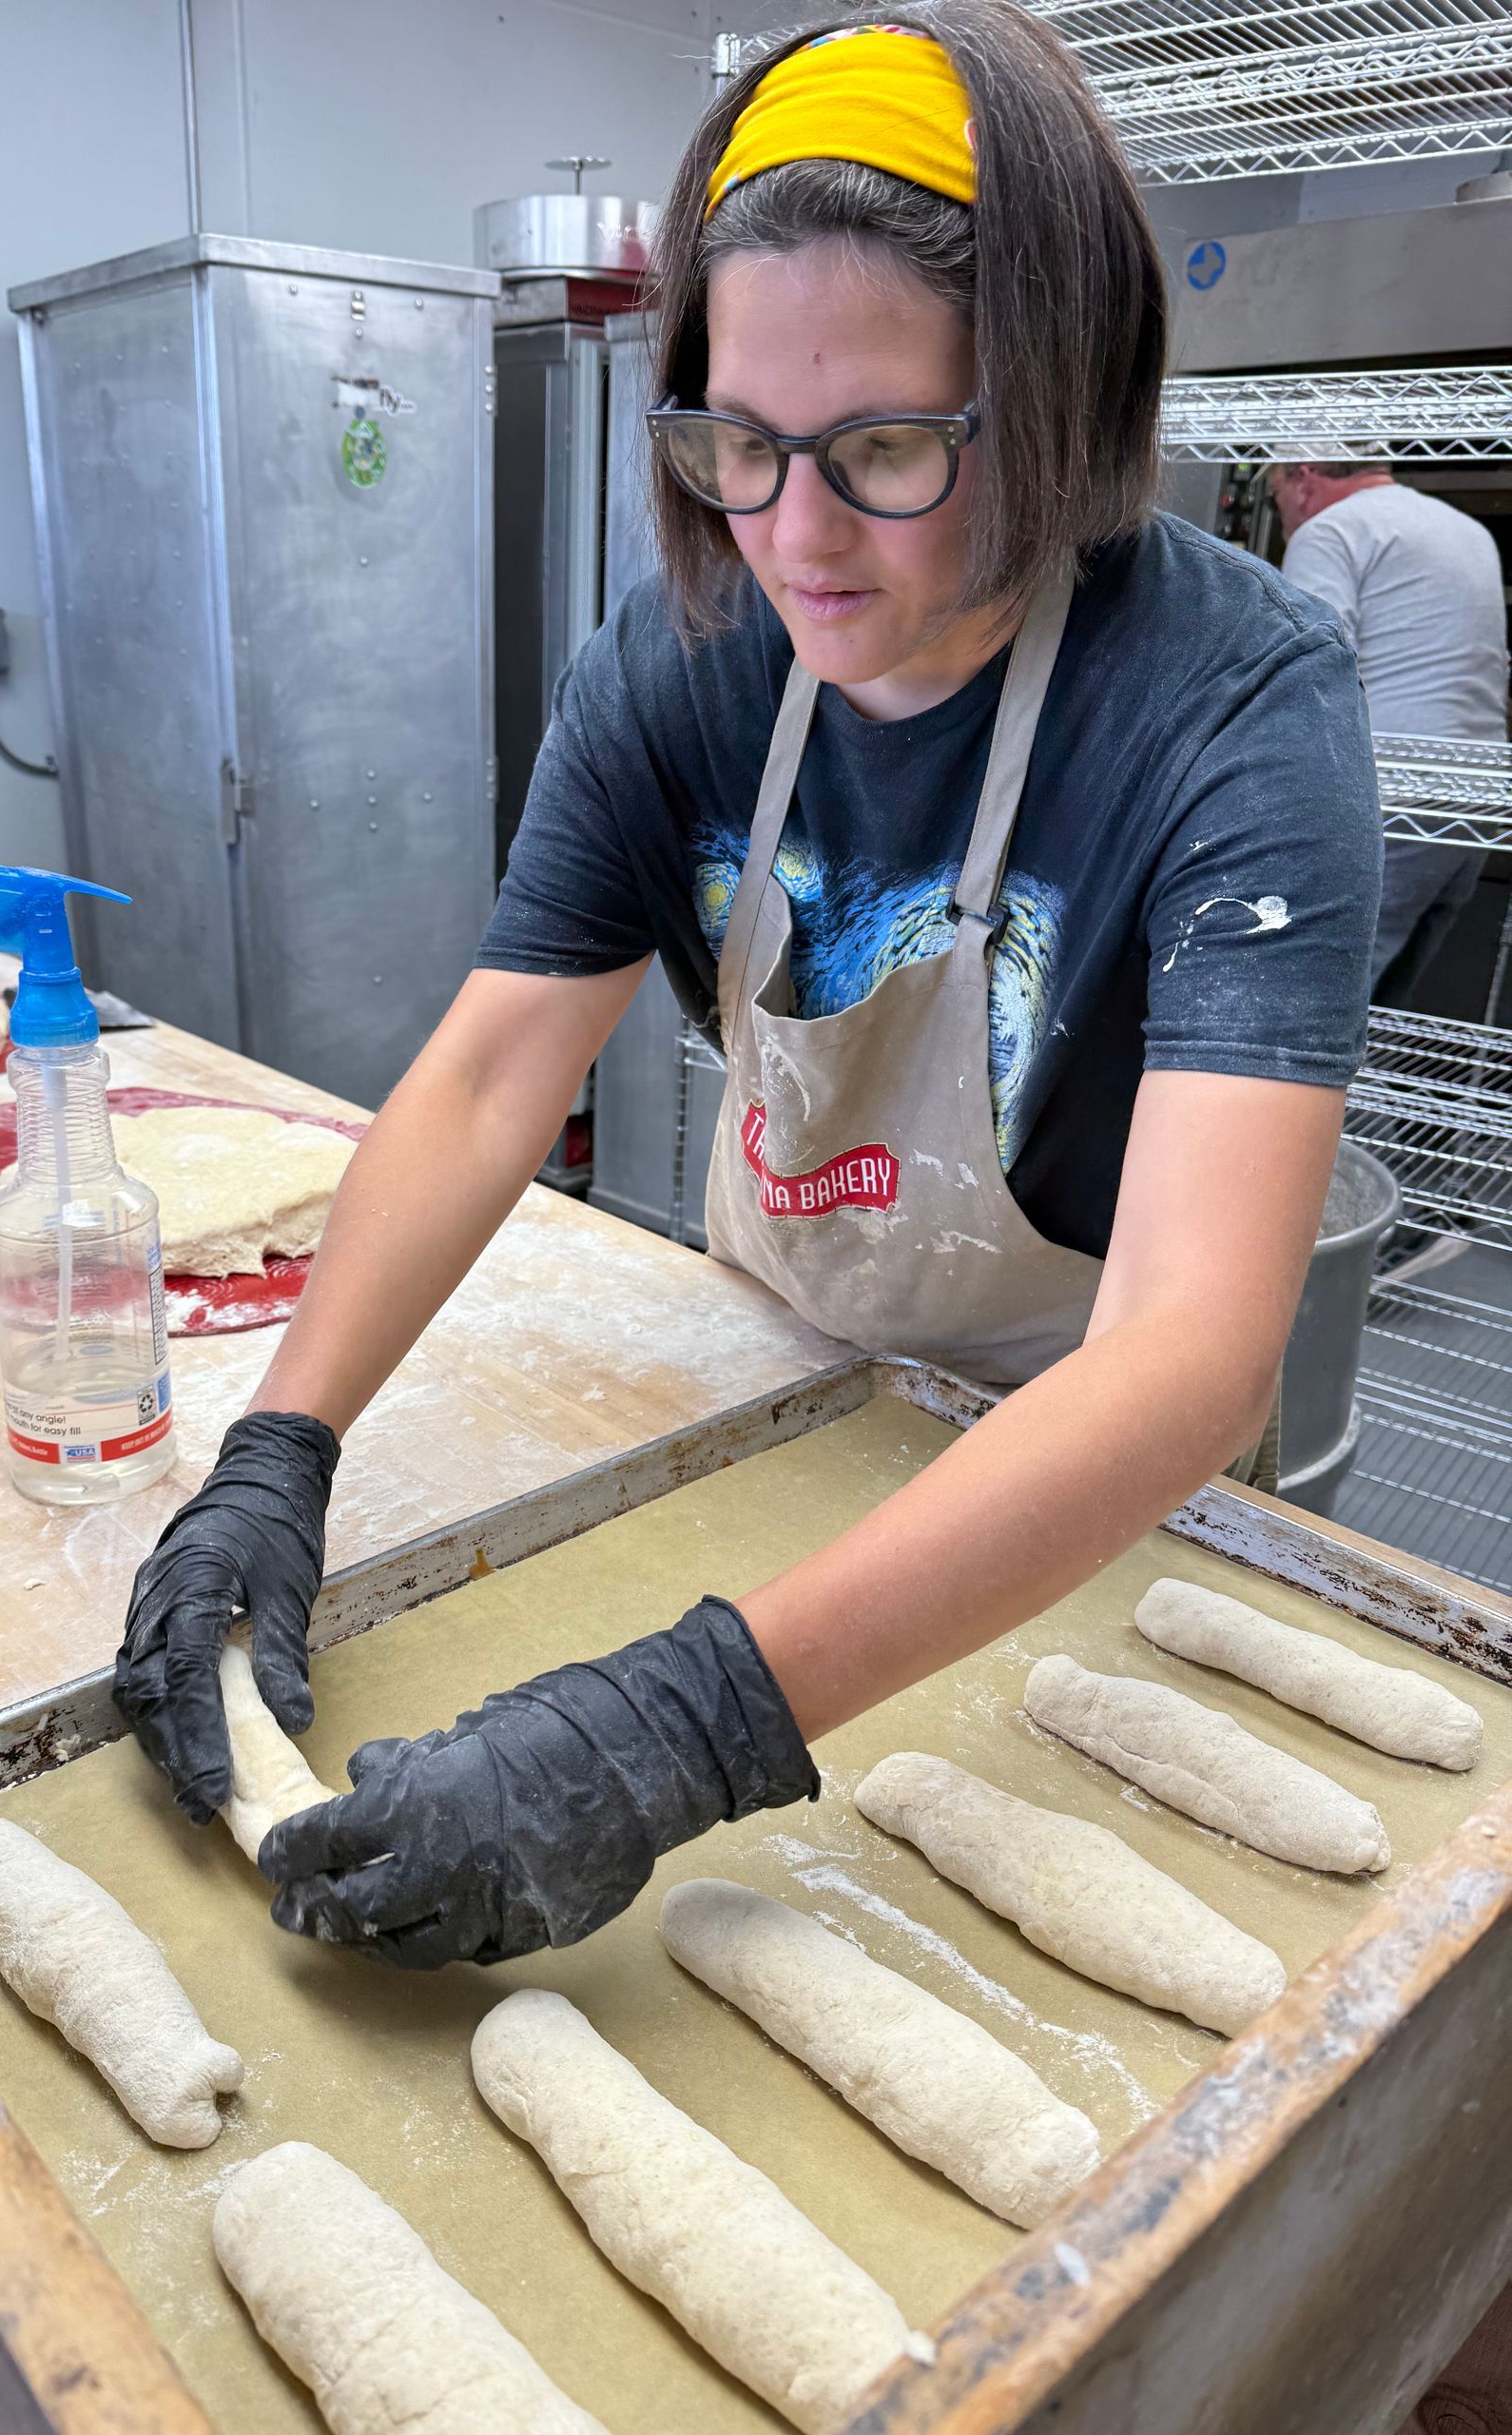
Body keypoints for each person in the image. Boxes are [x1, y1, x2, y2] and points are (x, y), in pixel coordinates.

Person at [114, 4, 1382, 1972]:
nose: (789, 533)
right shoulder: (680, 651)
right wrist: (281, 1448)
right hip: (774, 1389)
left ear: (1050, 402)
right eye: (737, 443)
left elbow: (1189, 1348)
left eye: (883, 448)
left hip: (1075, 1487)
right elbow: (477, 1087)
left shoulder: (1234, 704)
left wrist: (680, 1725)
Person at [1271, 458, 1508, 1004]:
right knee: (1381, 1012)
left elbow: (1310, 677)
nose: (1280, 510)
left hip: (1388, 798)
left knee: (1311, 1005)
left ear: (1302, 479)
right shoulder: (1465, 528)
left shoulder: (1330, 531)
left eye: (1275, 492)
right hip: (1473, 803)